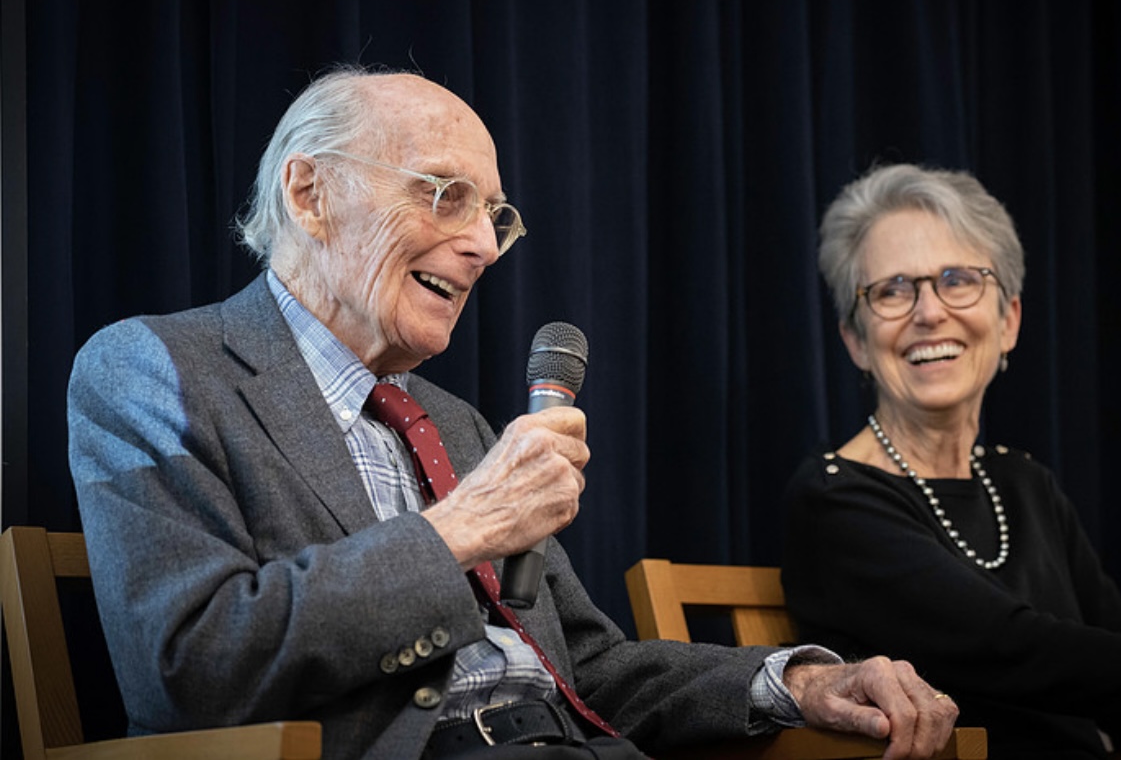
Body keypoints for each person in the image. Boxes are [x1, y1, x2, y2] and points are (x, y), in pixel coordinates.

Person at [66, 67, 959, 760]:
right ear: (310, 195)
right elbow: (189, 667)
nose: (484, 246)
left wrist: (792, 682)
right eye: (442, 193)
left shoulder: (453, 424)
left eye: (494, 214)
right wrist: (461, 529)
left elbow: (588, 668)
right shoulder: (156, 369)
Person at [781, 163, 1121, 759]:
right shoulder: (834, 499)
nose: (928, 311)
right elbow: (1011, 646)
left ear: (1009, 321)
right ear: (856, 342)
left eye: (958, 280)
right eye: (892, 290)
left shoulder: (1023, 482)